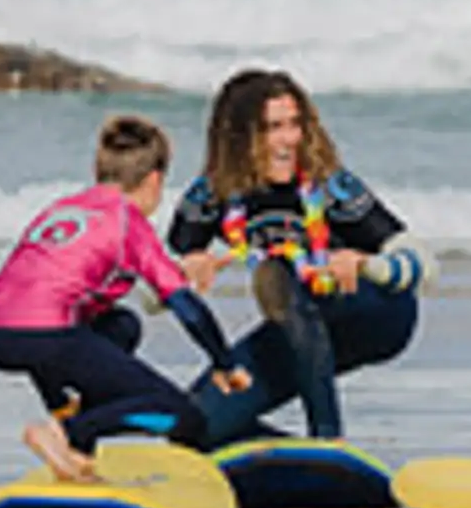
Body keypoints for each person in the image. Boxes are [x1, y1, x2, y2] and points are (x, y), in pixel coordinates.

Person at [0, 115, 250, 482]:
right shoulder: (128, 223)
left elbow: (29, 292)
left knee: (122, 325)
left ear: (99, 170)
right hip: (47, 336)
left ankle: (74, 443)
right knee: (180, 415)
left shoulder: (62, 209)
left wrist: (56, 398)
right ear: (155, 179)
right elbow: (187, 307)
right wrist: (225, 363)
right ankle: (67, 435)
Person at [167, 69, 434, 446]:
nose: (289, 140)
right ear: (240, 136)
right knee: (192, 427)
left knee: (279, 274)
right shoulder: (212, 193)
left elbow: (424, 264)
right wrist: (188, 269)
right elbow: (153, 282)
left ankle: (328, 440)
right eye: (273, 127)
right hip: (297, 334)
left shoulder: (329, 185)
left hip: (372, 313)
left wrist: (365, 264)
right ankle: (295, 459)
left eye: (295, 125)